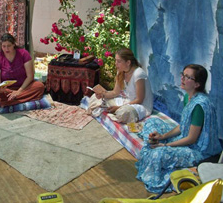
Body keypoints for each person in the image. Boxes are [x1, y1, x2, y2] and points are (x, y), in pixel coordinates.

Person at [136, 64, 223, 193]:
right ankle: (157, 143)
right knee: (152, 122)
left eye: (187, 77)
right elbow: (183, 126)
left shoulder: (200, 105)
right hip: (185, 137)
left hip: (197, 150)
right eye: (183, 75)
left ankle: (157, 149)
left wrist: (166, 146)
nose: (182, 78)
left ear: (197, 84)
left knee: (157, 154)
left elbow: (191, 139)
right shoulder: (188, 97)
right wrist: (163, 137)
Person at [87, 47, 153, 123]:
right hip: (127, 101)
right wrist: (102, 94)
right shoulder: (121, 71)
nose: (116, 63)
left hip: (140, 106)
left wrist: (118, 107)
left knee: (123, 113)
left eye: (119, 61)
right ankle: (114, 110)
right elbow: (115, 92)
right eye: (116, 60)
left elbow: (139, 100)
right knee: (95, 99)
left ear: (128, 62)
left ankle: (115, 111)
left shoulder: (139, 74)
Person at [0, 33, 45, 107]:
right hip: (7, 90)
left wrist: (19, 91)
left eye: (9, 46)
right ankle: (16, 99)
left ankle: (9, 101)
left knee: (39, 86)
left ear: (13, 45)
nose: (6, 49)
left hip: (24, 87)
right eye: (4, 46)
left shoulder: (24, 54)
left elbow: (30, 76)